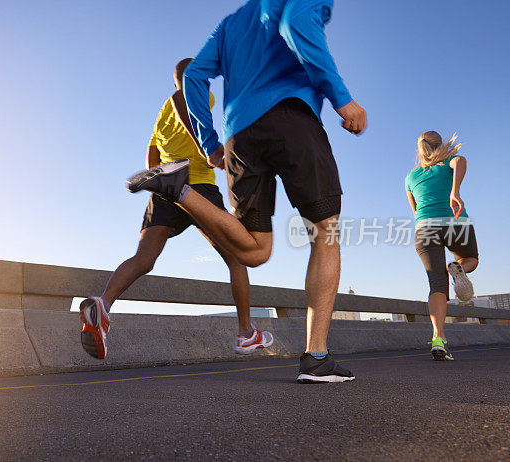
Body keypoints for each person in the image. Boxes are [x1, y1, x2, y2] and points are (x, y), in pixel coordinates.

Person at [127, 0, 367, 383]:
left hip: (241, 135)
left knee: (255, 250)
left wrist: (210, 143)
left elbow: (194, 77)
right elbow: (297, 22)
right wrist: (340, 96)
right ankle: (317, 358)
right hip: (291, 118)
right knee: (326, 231)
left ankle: (179, 190)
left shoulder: (229, 24)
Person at [78, 58, 274, 360]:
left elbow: (150, 163)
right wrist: (209, 149)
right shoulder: (194, 93)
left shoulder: (160, 119)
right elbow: (191, 111)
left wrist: (162, 185)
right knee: (237, 257)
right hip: (198, 188)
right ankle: (247, 333)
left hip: (165, 190)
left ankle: (102, 304)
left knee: (144, 258)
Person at [405, 131, 478, 361]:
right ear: (441, 145)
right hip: (455, 223)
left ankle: (438, 339)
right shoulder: (449, 162)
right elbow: (461, 160)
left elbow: (415, 211)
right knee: (471, 259)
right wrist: (454, 192)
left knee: (436, 284)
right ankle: (460, 269)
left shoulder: (410, 177)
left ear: (420, 151)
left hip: (425, 227)